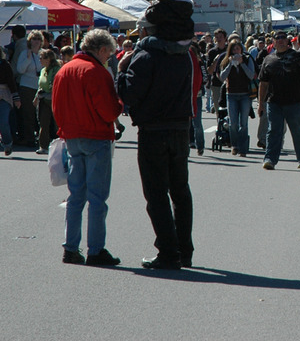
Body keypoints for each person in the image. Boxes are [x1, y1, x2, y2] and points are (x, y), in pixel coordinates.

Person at [117, 16, 196, 271]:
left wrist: (121, 71)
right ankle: (184, 250)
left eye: (140, 30)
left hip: (154, 130)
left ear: (147, 32)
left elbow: (130, 93)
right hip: (180, 127)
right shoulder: (183, 54)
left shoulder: (145, 55)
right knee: (180, 191)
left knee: (156, 193)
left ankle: (169, 252)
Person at [52, 29, 123, 266]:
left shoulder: (64, 70)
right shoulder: (97, 72)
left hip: (72, 137)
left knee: (76, 196)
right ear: (101, 50)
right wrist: (119, 104)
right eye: (108, 53)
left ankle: (70, 248)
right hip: (95, 137)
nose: (109, 58)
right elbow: (109, 111)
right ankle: (96, 249)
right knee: (97, 198)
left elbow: (56, 108)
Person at [257, 30, 300, 170]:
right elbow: (263, 83)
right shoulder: (268, 59)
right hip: (274, 101)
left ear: (288, 41)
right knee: (273, 131)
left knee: (298, 131)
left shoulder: (297, 56)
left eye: (283, 38)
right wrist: (260, 103)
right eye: (277, 38)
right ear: (273, 42)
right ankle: (270, 159)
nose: (281, 40)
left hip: (294, 101)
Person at [219, 39, 256, 156]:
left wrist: (242, 63)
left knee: (243, 123)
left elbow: (251, 75)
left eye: (238, 49)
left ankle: (243, 148)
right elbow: (222, 76)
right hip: (231, 95)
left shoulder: (247, 59)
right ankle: (234, 145)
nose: (236, 51)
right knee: (233, 123)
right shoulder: (226, 60)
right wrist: (231, 64)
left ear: (241, 49)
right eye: (234, 49)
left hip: (245, 94)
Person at [13, 30, 43, 148]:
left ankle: (42, 138)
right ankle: (29, 138)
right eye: (34, 39)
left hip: (40, 87)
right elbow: (20, 70)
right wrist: (29, 59)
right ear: (29, 41)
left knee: (41, 115)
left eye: (38, 39)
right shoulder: (25, 53)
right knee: (28, 114)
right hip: (27, 87)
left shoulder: (43, 54)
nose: (36, 41)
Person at [34, 48, 61, 154]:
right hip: (43, 98)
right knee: (43, 123)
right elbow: (41, 85)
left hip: (54, 98)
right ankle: (43, 146)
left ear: (48, 59)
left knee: (57, 123)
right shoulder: (43, 70)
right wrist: (36, 97)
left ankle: (62, 145)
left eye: (41, 58)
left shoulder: (57, 69)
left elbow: (56, 85)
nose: (40, 60)